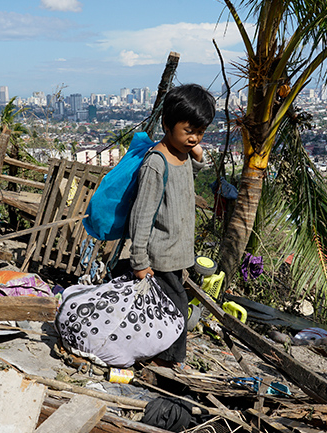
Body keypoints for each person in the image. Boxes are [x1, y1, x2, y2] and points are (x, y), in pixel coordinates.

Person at [129, 83, 215, 369]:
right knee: (175, 307)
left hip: (177, 254)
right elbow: (142, 216)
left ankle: (157, 355)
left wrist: (199, 159)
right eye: (189, 131)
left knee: (163, 309)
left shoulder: (182, 155)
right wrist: (139, 260)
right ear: (167, 124)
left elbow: (186, 174)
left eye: (200, 132)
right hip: (159, 255)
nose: (195, 139)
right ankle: (167, 361)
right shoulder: (156, 163)